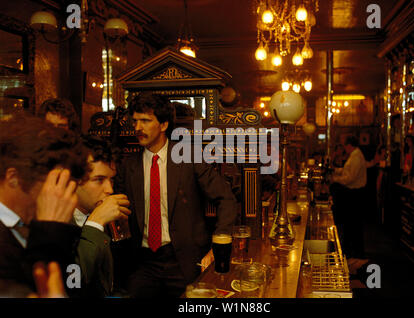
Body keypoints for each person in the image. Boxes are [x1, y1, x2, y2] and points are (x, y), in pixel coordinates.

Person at [114, 93, 237, 297]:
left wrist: (219, 242)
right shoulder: (128, 166)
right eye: (135, 121)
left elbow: (226, 199)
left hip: (183, 260)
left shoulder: (188, 158)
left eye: (145, 121)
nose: (137, 128)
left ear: (163, 125)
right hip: (143, 262)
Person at [0, 114, 87, 297]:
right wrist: (50, 230)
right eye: (52, 184)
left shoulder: (37, 224)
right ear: (14, 178)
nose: (59, 196)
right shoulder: (43, 229)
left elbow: (74, 285)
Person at [72, 136, 131, 297]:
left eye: (111, 179)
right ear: (73, 180)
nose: (109, 189)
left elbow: (108, 279)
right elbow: (74, 282)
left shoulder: (100, 214)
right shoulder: (55, 219)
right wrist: (95, 223)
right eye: (99, 180)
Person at [331, 135, 367, 259]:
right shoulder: (354, 156)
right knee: (351, 223)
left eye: (345, 145)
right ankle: (351, 251)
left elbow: (350, 178)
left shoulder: (356, 157)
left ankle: (356, 254)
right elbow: (348, 171)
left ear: (349, 145)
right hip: (353, 194)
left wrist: (334, 179)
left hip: (355, 195)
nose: (344, 148)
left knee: (353, 224)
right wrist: (336, 170)